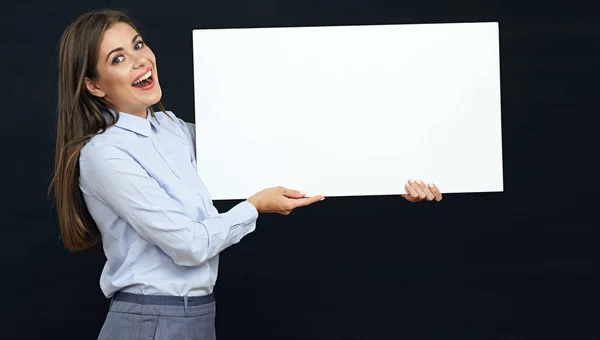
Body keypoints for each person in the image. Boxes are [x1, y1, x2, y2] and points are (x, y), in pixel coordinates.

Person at [49, 9, 443, 340]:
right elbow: (188, 244)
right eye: (118, 58)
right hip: (149, 322)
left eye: (138, 44)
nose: (139, 60)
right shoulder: (105, 154)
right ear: (93, 85)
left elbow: (277, 148)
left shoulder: (172, 129)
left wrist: (396, 175)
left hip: (198, 315)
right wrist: (253, 207)